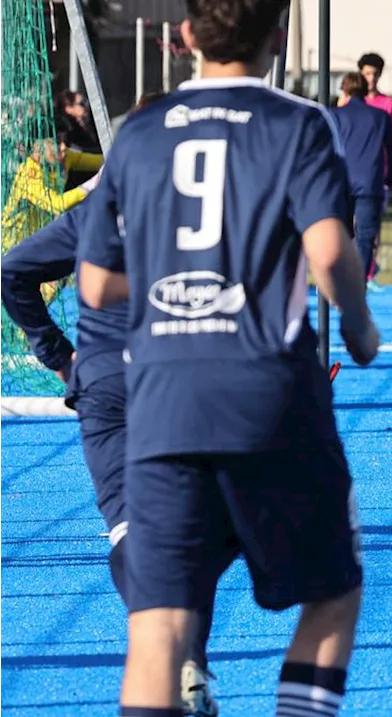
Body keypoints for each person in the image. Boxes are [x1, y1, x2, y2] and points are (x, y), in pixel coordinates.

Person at [75, 1, 380, 714]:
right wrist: (361, 331)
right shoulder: (300, 123)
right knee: (333, 591)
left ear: (184, 39)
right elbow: (330, 251)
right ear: (276, 38)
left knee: (157, 629)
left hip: (161, 401)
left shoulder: (139, 132)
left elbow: (94, 283)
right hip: (267, 392)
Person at [0, 126, 225, 717]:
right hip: (180, 380)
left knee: (129, 531)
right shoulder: (207, 211)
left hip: (103, 384)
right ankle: (190, 657)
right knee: (192, 532)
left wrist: (60, 357)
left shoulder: (96, 211)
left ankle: (164, 649)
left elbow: (12, 271)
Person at [334, 71, 392, 280]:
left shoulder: (334, 116)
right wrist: (390, 178)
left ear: (344, 91)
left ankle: (338, 283)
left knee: (340, 237)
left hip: (340, 184)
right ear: (365, 90)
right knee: (365, 240)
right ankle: (359, 286)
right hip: (370, 184)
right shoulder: (379, 117)